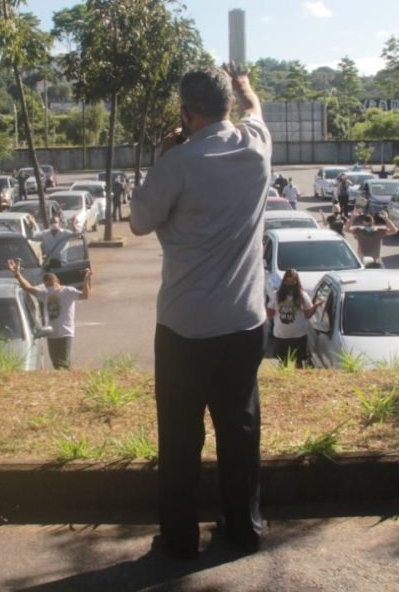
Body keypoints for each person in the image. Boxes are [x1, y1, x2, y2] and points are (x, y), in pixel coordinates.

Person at [130, 64, 270, 560]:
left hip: (184, 328)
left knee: (180, 435)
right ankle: (243, 528)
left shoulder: (178, 164)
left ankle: (180, 537)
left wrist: (163, 156)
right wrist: (246, 84)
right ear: (228, 106)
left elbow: (139, 221)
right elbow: (255, 110)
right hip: (243, 322)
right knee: (239, 430)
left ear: (185, 114)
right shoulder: (256, 146)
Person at [6, 259, 90, 369]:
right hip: (51, 334)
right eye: (47, 286)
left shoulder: (68, 291)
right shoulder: (44, 294)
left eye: (52, 284)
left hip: (65, 333)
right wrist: (17, 274)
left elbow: (85, 296)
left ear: (57, 281)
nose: (50, 288)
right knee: (56, 364)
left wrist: (86, 280)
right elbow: (28, 288)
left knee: (64, 363)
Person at [266, 269, 320, 368]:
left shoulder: (302, 295)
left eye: (293, 281)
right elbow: (270, 313)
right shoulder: (277, 294)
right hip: (281, 335)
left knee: (298, 362)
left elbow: (308, 314)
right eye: (288, 281)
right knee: (282, 363)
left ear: (296, 282)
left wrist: (315, 307)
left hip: (298, 335)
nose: (290, 284)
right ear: (284, 281)